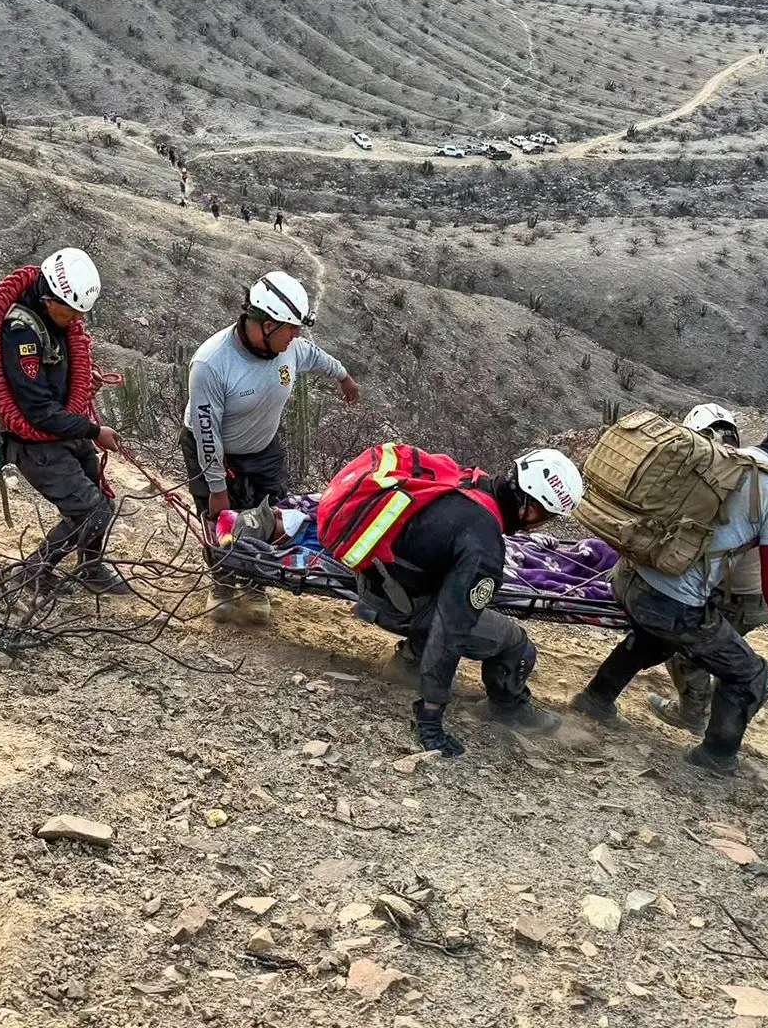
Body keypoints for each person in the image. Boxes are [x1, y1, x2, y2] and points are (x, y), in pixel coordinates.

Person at [568, 402, 768, 775]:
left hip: (628, 578)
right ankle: (714, 758)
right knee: (750, 675)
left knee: (656, 640)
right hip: (669, 603)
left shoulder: (723, 457)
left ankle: (595, 699)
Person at [332, 445, 584, 753]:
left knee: (458, 598)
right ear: (529, 508)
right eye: (546, 517)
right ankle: (508, 707)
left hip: (375, 581)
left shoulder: (467, 482)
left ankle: (409, 663)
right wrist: (431, 715)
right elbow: (451, 628)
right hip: (398, 603)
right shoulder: (483, 546)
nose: (541, 525)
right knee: (516, 644)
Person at [181, 271, 360, 621]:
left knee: (265, 514)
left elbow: (316, 355)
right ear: (264, 324)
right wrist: (216, 487)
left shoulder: (289, 349)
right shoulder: (211, 364)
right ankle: (222, 582)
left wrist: (344, 378)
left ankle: (255, 581)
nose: (297, 335)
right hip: (214, 450)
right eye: (290, 328)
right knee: (220, 518)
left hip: (262, 448)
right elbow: (206, 432)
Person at [0, 248, 130, 595]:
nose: (75, 319)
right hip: (36, 443)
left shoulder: (53, 322)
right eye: (70, 310)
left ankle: (91, 568)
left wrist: (84, 382)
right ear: (49, 298)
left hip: (63, 430)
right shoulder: (20, 332)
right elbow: (36, 408)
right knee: (90, 510)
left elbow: (54, 372)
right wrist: (93, 431)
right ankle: (32, 572)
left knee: (102, 499)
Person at [646, 403, 768, 731]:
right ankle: (712, 710)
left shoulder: (715, 481)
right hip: (752, 593)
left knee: (683, 645)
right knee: (707, 649)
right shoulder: (747, 471)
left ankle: (695, 715)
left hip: (737, 594)